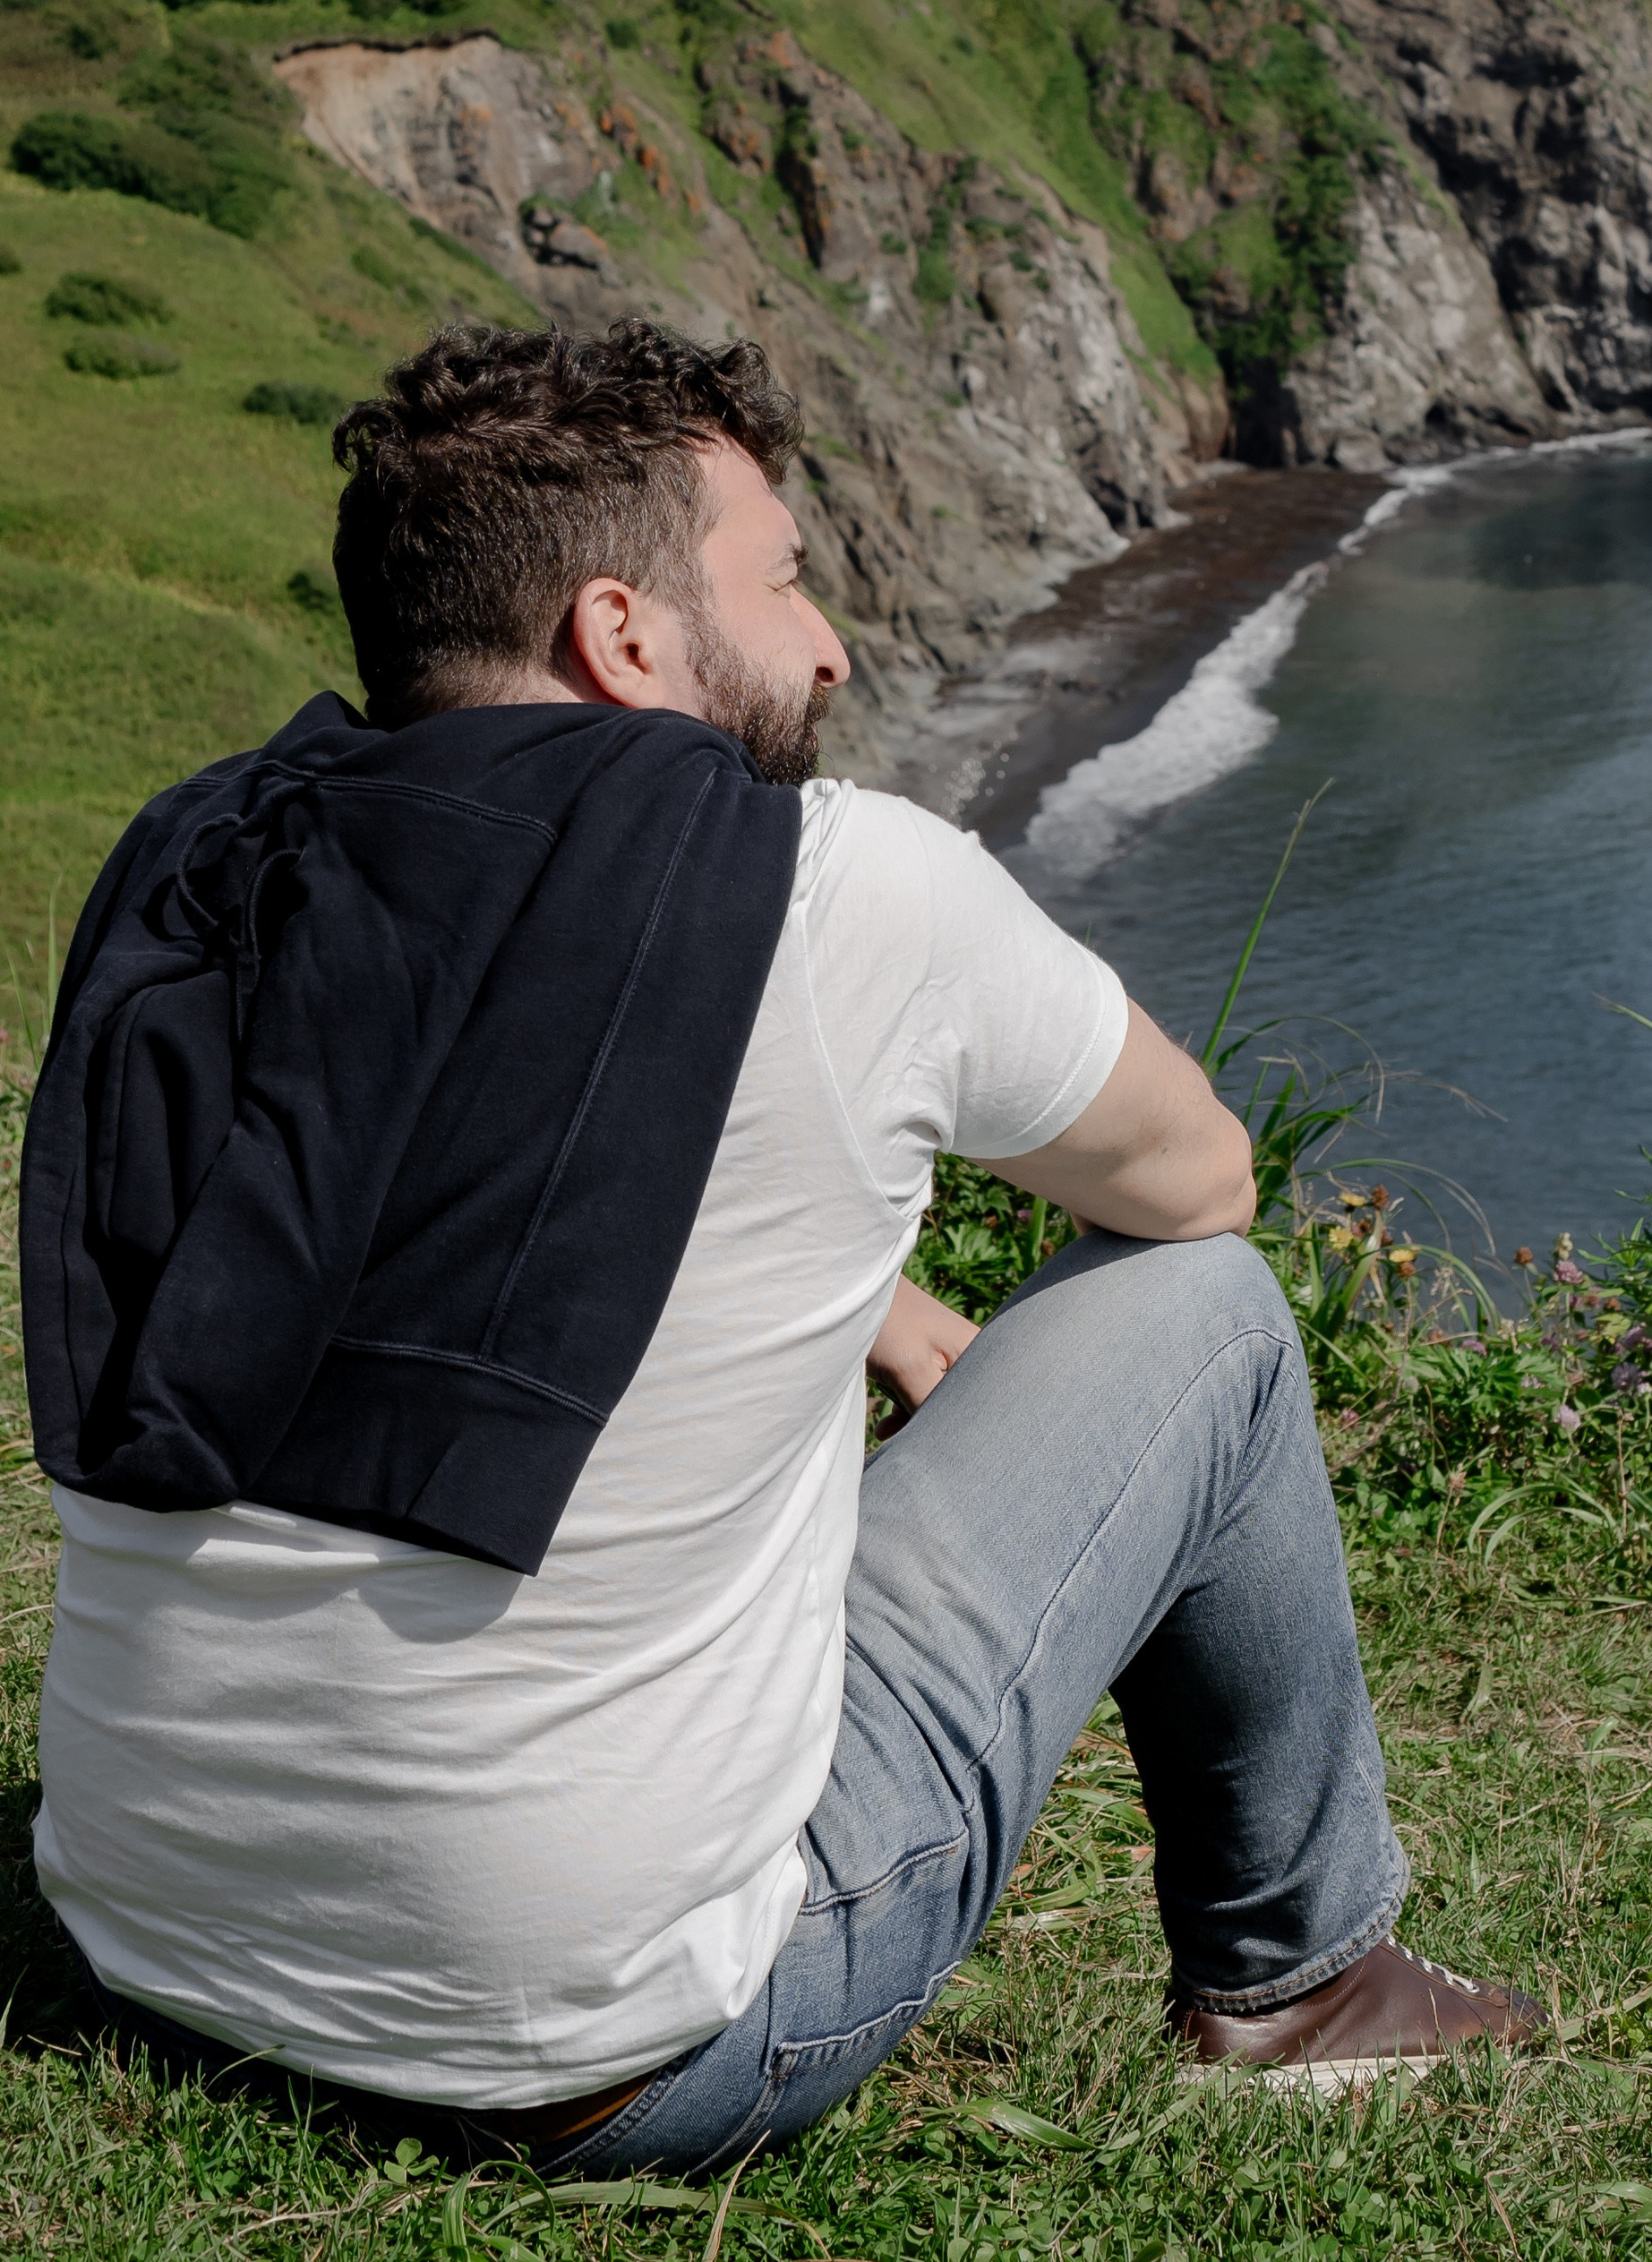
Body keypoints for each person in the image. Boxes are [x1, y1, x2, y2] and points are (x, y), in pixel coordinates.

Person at [21, 318, 1537, 2173]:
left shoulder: (210, 875)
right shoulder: (844, 883)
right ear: (625, 632)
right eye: (785, 580)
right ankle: (1301, 1980)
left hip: (152, 1946)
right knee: (1206, 1318)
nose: (825, 643)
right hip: (611, 2054)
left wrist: (860, 1296)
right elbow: (1193, 1185)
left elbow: (356, 1229)